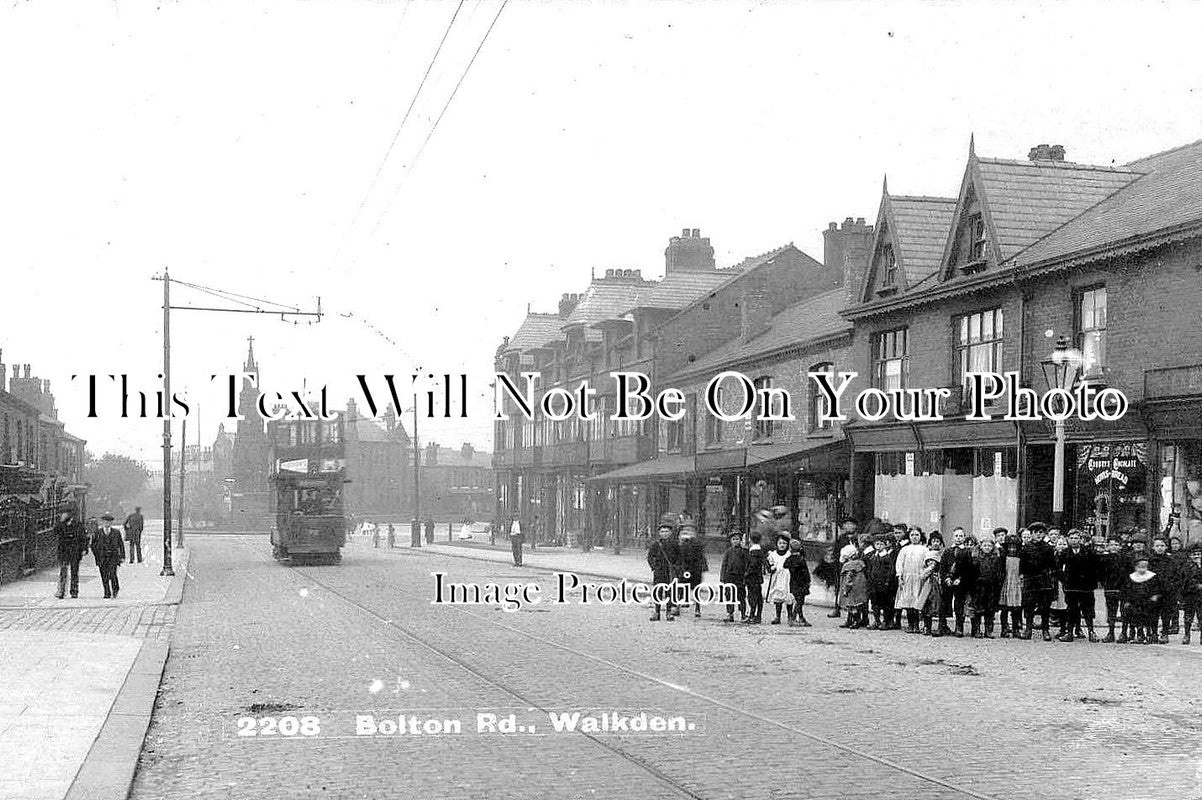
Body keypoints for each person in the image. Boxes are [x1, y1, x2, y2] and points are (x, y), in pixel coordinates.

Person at [1058, 528, 1099, 642]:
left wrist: (1092, 584)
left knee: (1088, 610)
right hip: (1071, 587)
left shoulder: (1089, 552)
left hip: (1086, 587)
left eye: (1076, 538)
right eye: (1071, 538)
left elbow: (1095, 569)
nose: (1074, 540)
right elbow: (1059, 570)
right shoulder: (1064, 553)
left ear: (1080, 539)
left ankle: (1091, 631)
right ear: (1068, 539)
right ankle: (1070, 632)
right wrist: (1064, 581)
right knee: (1071, 609)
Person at [1020, 522, 1057, 641]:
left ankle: (1045, 630)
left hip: (1043, 580)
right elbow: (1022, 565)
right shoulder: (1026, 547)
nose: (1038, 535)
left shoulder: (1048, 548)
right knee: (1029, 606)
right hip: (1030, 580)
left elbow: (1052, 565)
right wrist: (1023, 577)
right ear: (1031, 534)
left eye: (1041, 532)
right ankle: (1028, 629)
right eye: (1036, 532)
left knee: (1045, 606)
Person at [1124, 556, 1164, 645]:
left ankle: (1152, 634)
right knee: (1136, 616)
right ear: (1136, 567)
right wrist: (1128, 600)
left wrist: (1155, 596)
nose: (1142, 569)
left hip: (1149, 602)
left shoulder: (1152, 577)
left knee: (1152, 617)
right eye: (1140, 567)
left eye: (1144, 567)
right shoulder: (1132, 577)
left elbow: (1157, 589)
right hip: (1136, 602)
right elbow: (1128, 590)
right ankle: (1140, 634)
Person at [968, 536, 1003, 638]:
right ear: (981, 547)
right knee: (978, 609)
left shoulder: (996, 559)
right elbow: (972, 574)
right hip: (979, 588)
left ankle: (989, 630)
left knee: (990, 610)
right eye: (985, 545)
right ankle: (976, 630)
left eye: (989, 546)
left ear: (993, 547)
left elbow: (999, 573)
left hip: (991, 588)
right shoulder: (976, 558)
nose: (987, 547)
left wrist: (997, 583)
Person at [647, 516, 680, 621]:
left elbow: (680, 558)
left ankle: (669, 612)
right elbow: (650, 557)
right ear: (659, 533)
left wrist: (677, 569)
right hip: (659, 571)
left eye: (666, 531)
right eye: (662, 531)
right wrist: (654, 567)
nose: (664, 533)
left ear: (670, 533)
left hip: (670, 572)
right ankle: (656, 612)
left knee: (670, 593)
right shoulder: (655, 545)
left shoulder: (675, 544)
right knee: (658, 592)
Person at [894, 528, 928, 633]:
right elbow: (899, 563)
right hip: (907, 578)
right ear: (909, 536)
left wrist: (924, 575)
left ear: (920, 536)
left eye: (917, 535)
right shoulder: (905, 549)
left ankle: (917, 625)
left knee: (917, 602)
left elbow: (927, 563)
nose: (914, 537)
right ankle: (910, 624)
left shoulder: (925, 549)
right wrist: (900, 576)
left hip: (919, 578)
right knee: (908, 601)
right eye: (912, 535)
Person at [1098, 536, 1129, 643]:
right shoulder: (1104, 559)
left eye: (1116, 545)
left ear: (1120, 546)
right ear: (1107, 546)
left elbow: (1127, 573)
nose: (1114, 547)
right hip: (1110, 588)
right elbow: (1101, 573)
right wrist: (1105, 583)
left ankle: (1124, 633)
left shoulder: (1125, 558)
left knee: (1124, 611)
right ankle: (1111, 632)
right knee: (1111, 611)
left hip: (1123, 588)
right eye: (1112, 545)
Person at [53, 508, 88, 599]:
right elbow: (55, 531)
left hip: (75, 552)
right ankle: (61, 591)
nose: (62, 515)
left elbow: (83, 538)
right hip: (64, 552)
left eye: (63, 514)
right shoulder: (61, 524)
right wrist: (60, 522)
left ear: (69, 514)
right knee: (63, 572)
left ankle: (74, 591)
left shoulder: (78, 525)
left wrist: (84, 549)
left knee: (74, 572)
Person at [677, 522, 708, 618]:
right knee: (681, 587)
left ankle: (697, 609)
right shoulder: (680, 542)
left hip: (695, 569)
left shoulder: (697, 543)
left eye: (690, 530)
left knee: (696, 589)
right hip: (683, 568)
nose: (687, 532)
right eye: (685, 530)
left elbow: (701, 555)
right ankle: (678, 605)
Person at [92, 513, 125, 600]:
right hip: (102, 557)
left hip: (113, 557)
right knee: (104, 575)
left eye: (109, 522)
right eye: (105, 521)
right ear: (102, 522)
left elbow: (121, 545)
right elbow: (93, 545)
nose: (107, 523)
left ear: (111, 523)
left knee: (113, 574)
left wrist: (122, 556)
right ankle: (107, 592)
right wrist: (97, 554)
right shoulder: (98, 532)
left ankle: (115, 589)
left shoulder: (116, 532)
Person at [998, 531, 1024, 638]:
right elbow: (1000, 571)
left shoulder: (1020, 559)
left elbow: (1022, 571)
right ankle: (1004, 628)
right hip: (1006, 584)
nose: (1012, 550)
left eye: (1014, 547)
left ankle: (1015, 629)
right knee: (1004, 609)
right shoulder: (1003, 558)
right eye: (1010, 547)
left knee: (1016, 609)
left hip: (1016, 585)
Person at [917, 534, 944, 636]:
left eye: (938, 541)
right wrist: (928, 570)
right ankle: (927, 626)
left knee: (939, 605)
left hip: (938, 583)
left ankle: (941, 627)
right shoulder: (928, 554)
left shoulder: (942, 554)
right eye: (934, 542)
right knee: (927, 605)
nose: (936, 543)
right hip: (928, 584)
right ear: (930, 544)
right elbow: (925, 571)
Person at [764, 534, 793, 625]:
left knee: (788, 596)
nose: (782, 545)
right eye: (780, 543)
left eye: (784, 543)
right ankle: (777, 616)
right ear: (776, 544)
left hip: (787, 577)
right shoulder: (773, 554)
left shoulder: (789, 554)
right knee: (777, 596)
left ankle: (790, 616)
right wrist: (770, 568)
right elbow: (768, 564)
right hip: (777, 577)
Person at [720, 530, 748, 622]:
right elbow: (724, 564)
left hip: (740, 577)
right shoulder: (728, 552)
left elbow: (747, 563)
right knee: (729, 595)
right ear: (730, 541)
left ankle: (743, 614)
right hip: (729, 577)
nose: (735, 541)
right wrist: (723, 576)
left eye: (737, 539)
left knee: (741, 596)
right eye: (733, 539)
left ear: (740, 540)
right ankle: (730, 613)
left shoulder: (743, 552)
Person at [783, 539, 811, 627]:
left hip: (793, 583)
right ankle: (793, 618)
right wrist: (808, 581)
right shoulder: (801, 560)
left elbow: (785, 566)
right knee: (800, 601)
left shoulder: (789, 559)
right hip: (801, 583)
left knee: (795, 600)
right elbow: (805, 573)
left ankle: (801, 618)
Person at [839, 548, 869, 629]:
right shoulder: (860, 563)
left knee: (852, 605)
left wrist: (846, 588)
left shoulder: (849, 566)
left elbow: (848, 579)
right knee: (858, 604)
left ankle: (855, 620)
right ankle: (856, 620)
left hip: (852, 588)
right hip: (860, 587)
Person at [1179, 543, 1202, 644]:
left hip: (1201, 595)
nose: (1196, 556)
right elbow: (1185, 579)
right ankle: (1187, 634)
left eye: (1199, 553)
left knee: (1201, 616)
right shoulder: (1186, 566)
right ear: (1190, 555)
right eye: (1194, 554)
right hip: (1190, 594)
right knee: (1188, 616)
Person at [744, 531, 767, 624]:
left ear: (750, 540)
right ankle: (758, 615)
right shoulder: (759, 551)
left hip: (752, 578)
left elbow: (752, 565)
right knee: (758, 597)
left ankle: (753, 615)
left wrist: (746, 573)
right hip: (758, 577)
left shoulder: (753, 552)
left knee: (752, 597)